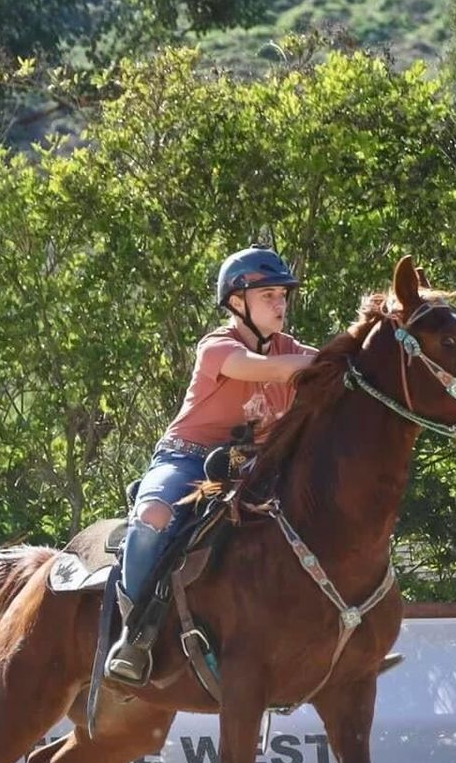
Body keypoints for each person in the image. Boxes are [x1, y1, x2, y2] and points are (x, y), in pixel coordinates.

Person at [103, 244, 317, 684]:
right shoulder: (218, 348)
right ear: (237, 303)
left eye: (283, 295)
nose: (280, 304)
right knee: (151, 519)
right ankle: (135, 636)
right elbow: (271, 370)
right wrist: (332, 361)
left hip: (255, 468)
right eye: (268, 296)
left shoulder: (290, 348)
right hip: (188, 458)